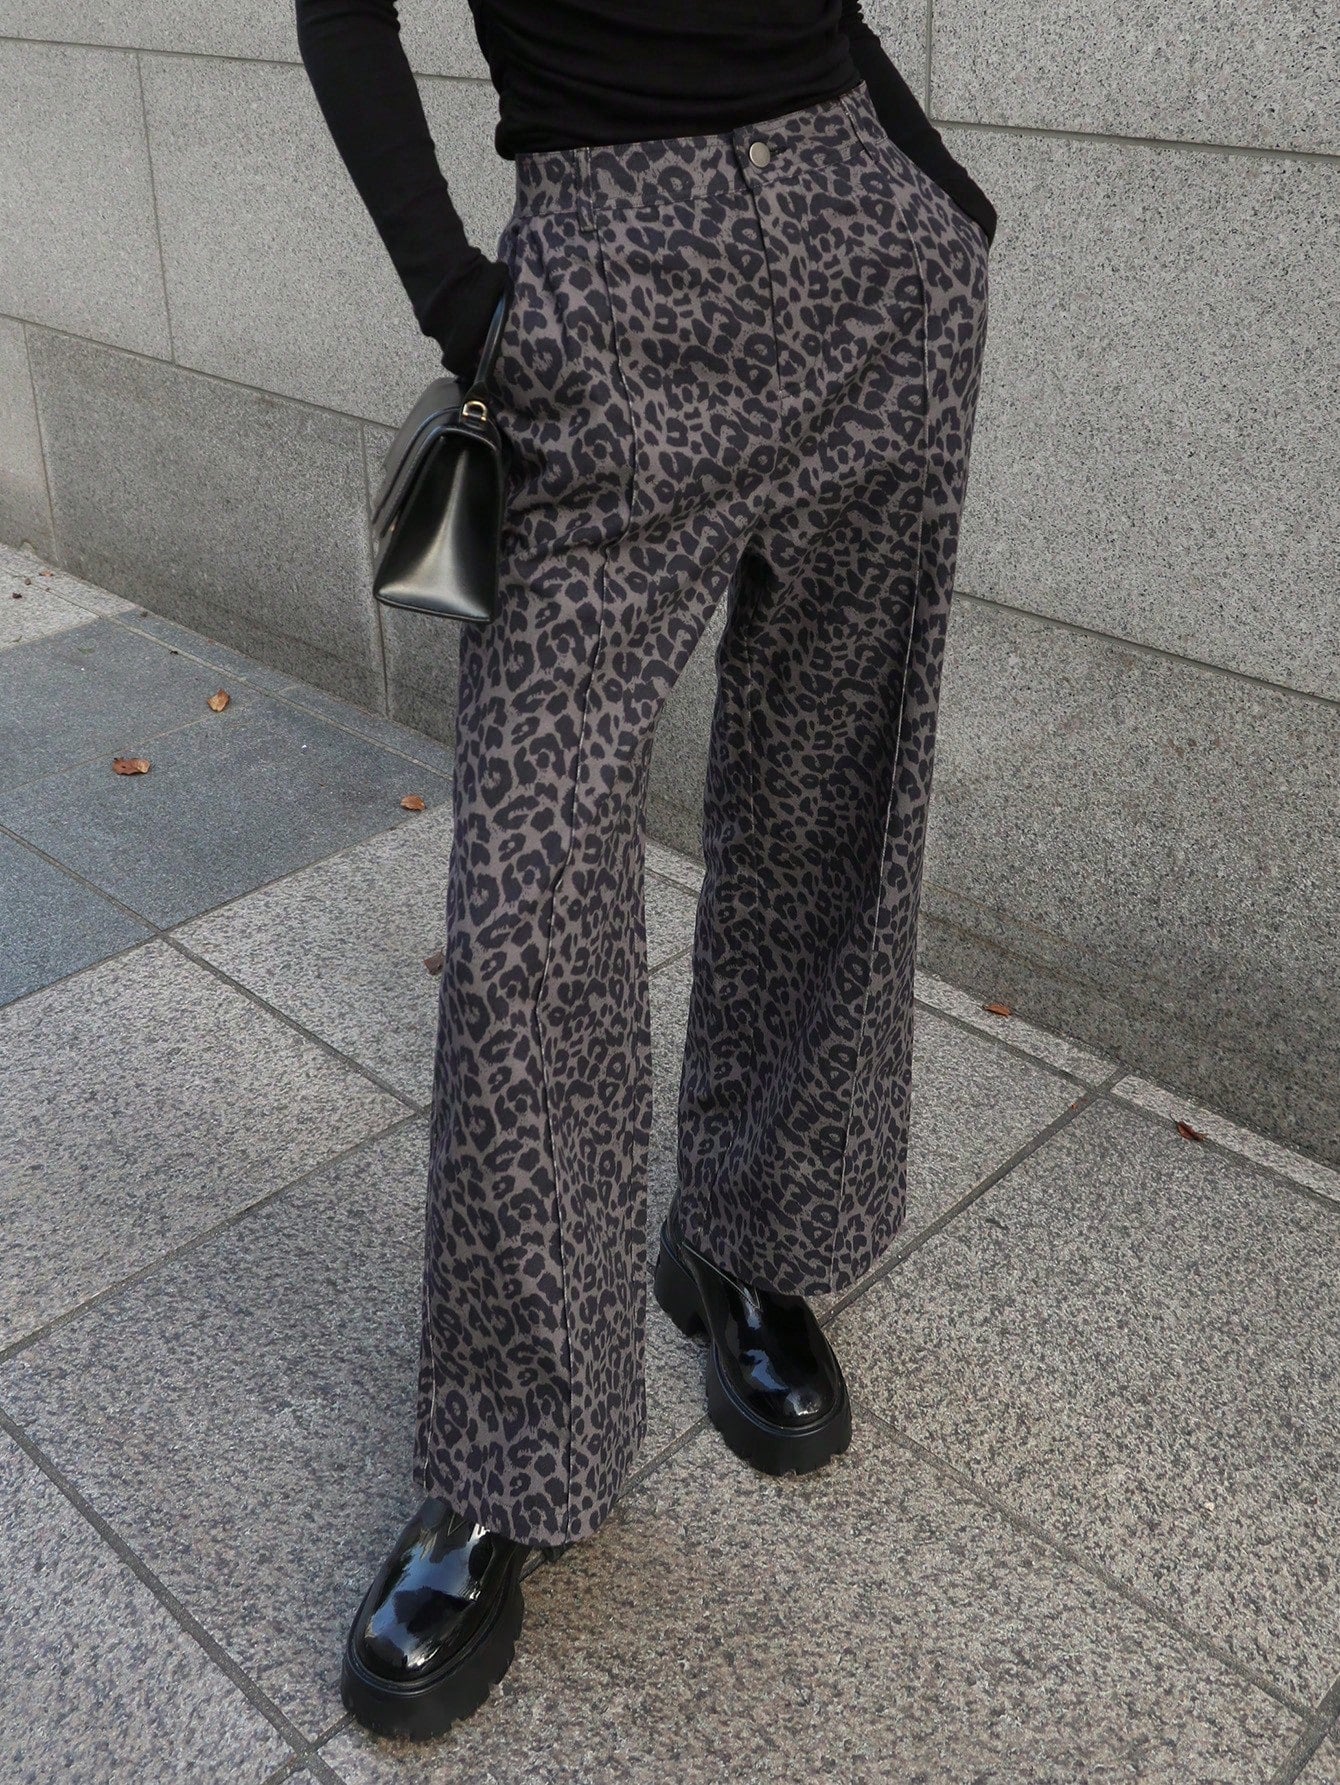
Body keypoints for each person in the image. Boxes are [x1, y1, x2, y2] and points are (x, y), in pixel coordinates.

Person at [296, 0, 994, 1742]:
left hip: (861, 250)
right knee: (527, 907)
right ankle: (509, 1449)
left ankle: (746, 1240)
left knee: (828, 801)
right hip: (604, 279)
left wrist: (934, 197)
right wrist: (467, 302)